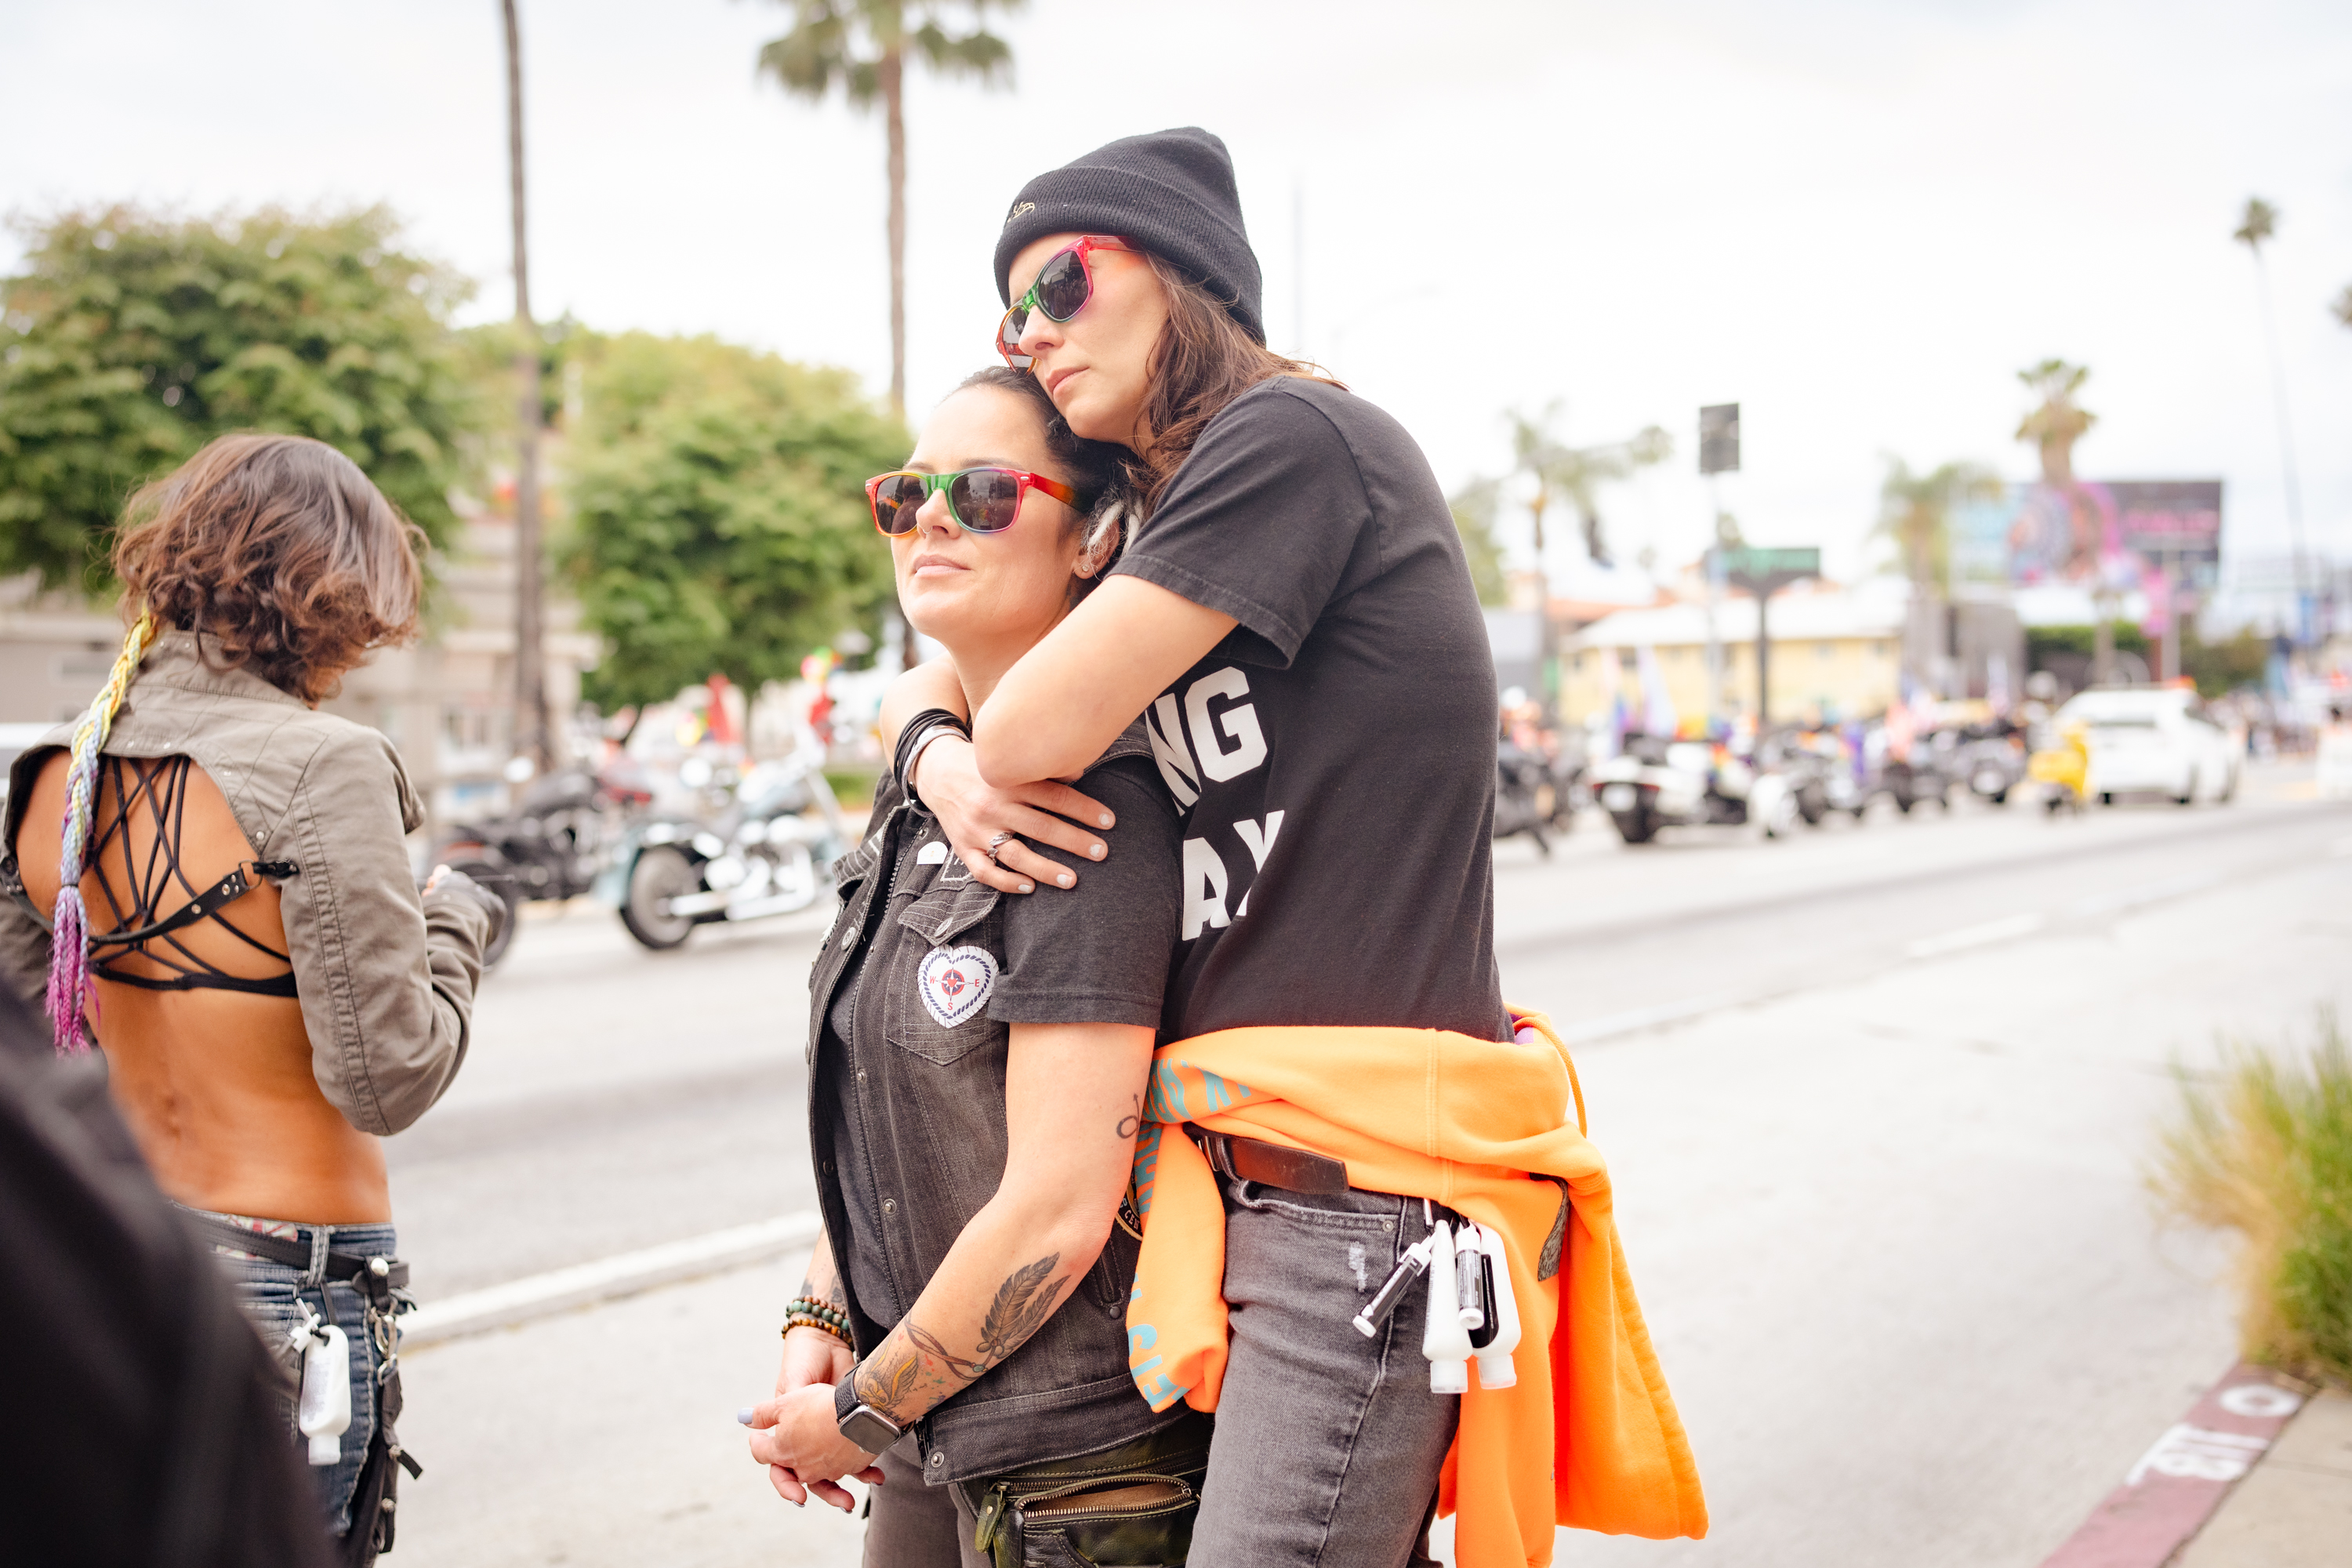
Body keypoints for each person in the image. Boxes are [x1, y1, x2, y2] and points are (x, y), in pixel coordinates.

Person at [887, 128, 1516, 1565]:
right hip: (1227, 1183)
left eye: (1060, 283)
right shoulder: (1181, 512)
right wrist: (932, 750)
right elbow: (950, 678)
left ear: (1178, 272)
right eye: (1010, 313)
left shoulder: (1295, 440)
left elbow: (1029, 719)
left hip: (1352, 1199)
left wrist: (968, 751)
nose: (1030, 335)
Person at [0, 433, 505, 1566]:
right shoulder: (323, 762)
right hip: (289, 1300)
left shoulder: (54, 774)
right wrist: (457, 917)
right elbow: (388, 1075)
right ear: (330, 594)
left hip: (123, 1272)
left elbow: (45, 1055)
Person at [743, 368, 1210, 1566]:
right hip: (922, 1439)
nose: (932, 518)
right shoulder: (925, 794)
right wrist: (824, 1304)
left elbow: (1057, 1207)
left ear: (1095, 537)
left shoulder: (1091, 812)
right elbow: (889, 1109)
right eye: (907, 493)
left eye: (987, 492)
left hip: (1077, 1476)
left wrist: (856, 1412)